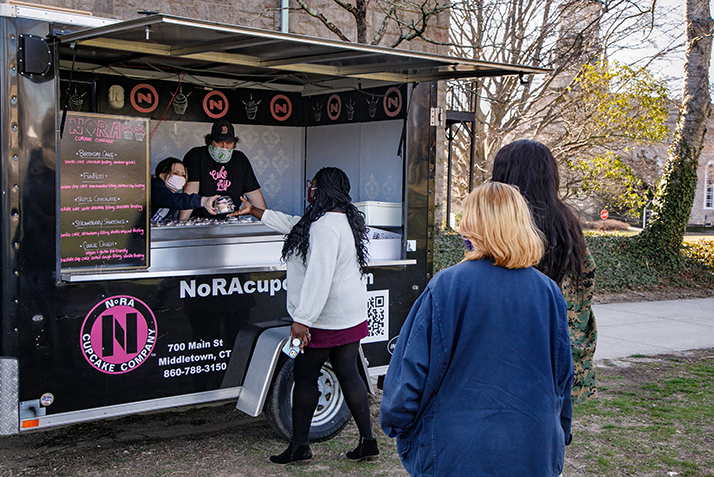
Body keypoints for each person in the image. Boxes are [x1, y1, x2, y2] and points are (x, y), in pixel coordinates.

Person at [379, 182, 573, 476]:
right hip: (533, 446)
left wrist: (398, 424)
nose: (460, 228)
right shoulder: (548, 292)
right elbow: (562, 378)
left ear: (476, 225)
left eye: (465, 218)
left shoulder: (446, 286)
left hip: (455, 451)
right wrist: (560, 431)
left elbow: (410, 371)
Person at [238, 167, 378, 465]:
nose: (309, 190)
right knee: (348, 373)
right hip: (348, 316)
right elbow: (293, 224)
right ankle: (368, 442)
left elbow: (319, 277)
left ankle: (300, 447)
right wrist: (255, 211)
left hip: (324, 319)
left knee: (304, 378)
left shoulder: (325, 226)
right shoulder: (339, 218)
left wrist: (302, 320)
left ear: (324, 189)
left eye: (312, 186)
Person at [491, 139, 597, 405]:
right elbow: (583, 293)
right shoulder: (567, 224)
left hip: (513, 366)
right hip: (562, 364)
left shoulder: (503, 230)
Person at [179, 120, 266, 219]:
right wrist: (182, 222)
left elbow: (253, 192)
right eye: (219, 142)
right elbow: (191, 190)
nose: (224, 147)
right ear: (210, 141)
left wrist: (268, 220)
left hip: (230, 219)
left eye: (229, 143)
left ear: (234, 143)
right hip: (200, 220)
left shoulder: (239, 159)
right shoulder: (196, 155)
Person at [150, 157, 218, 222]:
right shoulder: (154, 187)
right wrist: (202, 201)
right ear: (162, 175)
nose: (180, 177)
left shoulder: (171, 194)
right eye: (175, 173)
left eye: (183, 175)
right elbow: (173, 199)